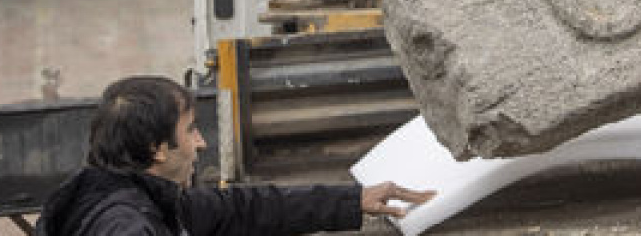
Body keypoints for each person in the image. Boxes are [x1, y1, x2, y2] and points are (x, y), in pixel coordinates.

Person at [36, 75, 431, 236]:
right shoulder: (126, 225)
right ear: (156, 150)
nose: (201, 143)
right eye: (190, 130)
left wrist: (352, 200)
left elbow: (246, 208)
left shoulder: (135, 198)